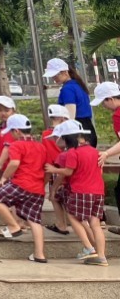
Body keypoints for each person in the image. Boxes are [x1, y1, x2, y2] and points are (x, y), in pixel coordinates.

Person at [45, 119, 107, 265]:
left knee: (74, 217)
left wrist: (54, 170)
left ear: (66, 139)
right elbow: (100, 170)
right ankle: (101, 256)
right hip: (98, 191)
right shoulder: (95, 151)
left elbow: (67, 171)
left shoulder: (73, 153)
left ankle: (89, 248)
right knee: (95, 223)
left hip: (81, 191)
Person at [0, 113, 47, 262]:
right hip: (37, 187)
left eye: (11, 132)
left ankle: (13, 225)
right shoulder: (40, 146)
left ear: (16, 131)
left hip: (21, 183)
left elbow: (14, 163)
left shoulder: (16, 145)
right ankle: (39, 255)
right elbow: (46, 168)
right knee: (34, 220)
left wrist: (4, 177)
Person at [91, 80, 120, 233]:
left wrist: (107, 153)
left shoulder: (118, 115)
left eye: (104, 102)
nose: (104, 106)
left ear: (110, 99)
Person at [45, 58, 94, 145]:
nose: (54, 78)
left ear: (65, 72)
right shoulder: (78, 85)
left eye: (56, 75)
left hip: (76, 131)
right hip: (87, 128)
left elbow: (70, 116)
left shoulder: (68, 89)